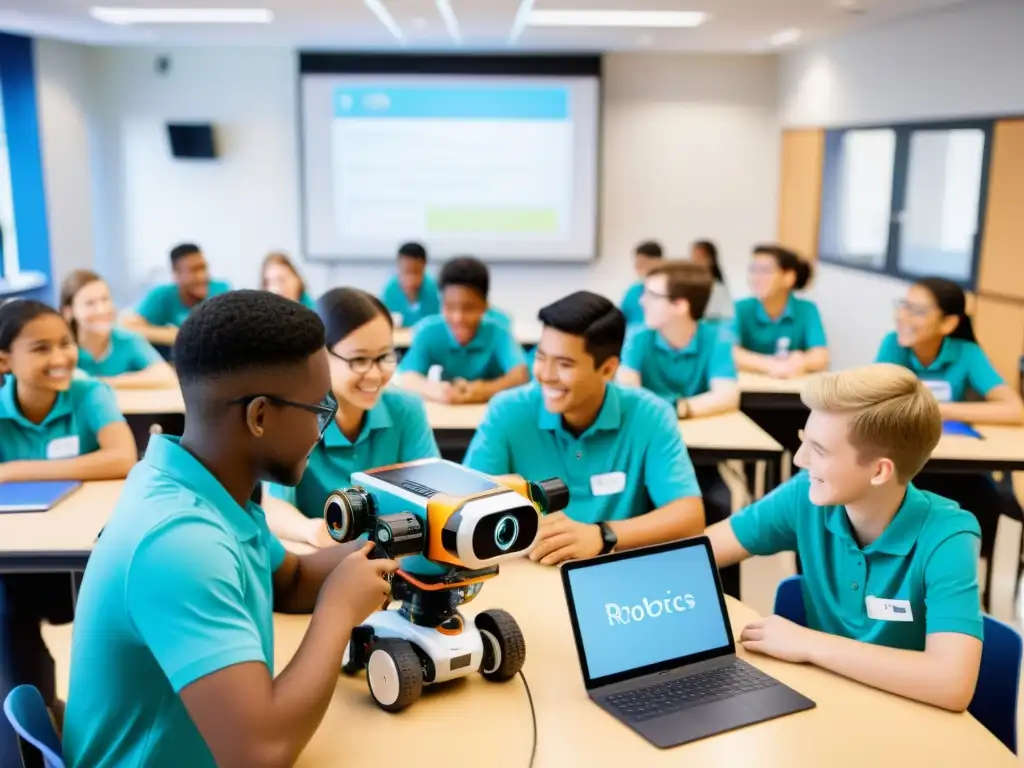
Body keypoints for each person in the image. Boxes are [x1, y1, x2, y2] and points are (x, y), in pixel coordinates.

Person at [63, 290, 399, 767]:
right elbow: (259, 753)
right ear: (258, 416)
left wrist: (388, 545)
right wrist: (338, 612)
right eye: (318, 410)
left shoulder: (205, 485)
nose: (322, 431)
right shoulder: (181, 542)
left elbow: (292, 581)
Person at [706, 364, 983, 712]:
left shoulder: (948, 536)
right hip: (827, 704)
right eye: (803, 441)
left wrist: (808, 643)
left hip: (907, 719)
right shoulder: (805, 496)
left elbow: (951, 684)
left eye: (819, 451)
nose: (799, 459)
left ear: (880, 470)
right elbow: (699, 554)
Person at [463, 290, 705, 566]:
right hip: (527, 567)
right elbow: (470, 504)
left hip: (614, 571)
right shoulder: (508, 411)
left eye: (564, 364)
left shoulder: (650, 415)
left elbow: (689, 516)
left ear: (607, 369)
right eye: (540, 357)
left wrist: (603, 535)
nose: (546, 375)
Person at [0, 299, 137, 764]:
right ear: (4, 360)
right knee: (8, 616)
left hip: (86, 557)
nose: (60, 357)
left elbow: (122, 458)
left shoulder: (88, 393)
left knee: (112, 614)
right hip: (20, 564)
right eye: (41, 348)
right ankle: (36, 720)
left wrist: (13, 469)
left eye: (65, 343)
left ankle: (100, 720)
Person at [876, 278, 1024, 605]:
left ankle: (963, 592)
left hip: (961, 469)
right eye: (903, 306)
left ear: (949, 322)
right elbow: (879, 402)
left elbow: (1014, 408)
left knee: (985, 499)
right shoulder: (894, 346)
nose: (903, 316)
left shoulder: (966, 353)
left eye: (916, 310)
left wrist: (934, 407)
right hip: (912, 467)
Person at [263, 287, 440, 548]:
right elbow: (274, 505)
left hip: (394, 561)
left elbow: (434, 497)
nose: (375, 374)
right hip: (320, 564)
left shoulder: (406, 409)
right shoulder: (294, 415)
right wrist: (312, 530)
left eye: (384, 357)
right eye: (359, 360)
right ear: (319, 356)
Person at [617, 261, 739, 595]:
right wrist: (684, 409)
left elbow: (728, 394)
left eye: (652, 294)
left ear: (679, 305)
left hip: (697, 456)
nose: (641, 301)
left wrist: (676, 408)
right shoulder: (639, 338)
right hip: (644, 458)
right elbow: (628, 391)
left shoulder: (715, 338)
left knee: (719, 504)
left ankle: (720, 599)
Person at [397, 256, 528, 403]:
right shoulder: (429, 331)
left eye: (468, 308)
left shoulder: (499, 332)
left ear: (485, 306)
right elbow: (407, 376)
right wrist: (438, 391)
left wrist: (486, 390)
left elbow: (520, 374)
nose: (458, 318)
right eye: (449, 307)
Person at [60, 269, 174, 388]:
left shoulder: (128, 340)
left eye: (105, 299)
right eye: (90, 303)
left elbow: (166, 376)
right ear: (68, 312)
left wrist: (101, 382)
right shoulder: (62, 348)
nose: (101, 310)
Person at [732, 245, 828, 378]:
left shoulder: (807, 309)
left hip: (791, 388)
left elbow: (820, 356)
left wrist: (801, 361)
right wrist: (772, 365)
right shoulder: (740, 308)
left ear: (788, 277)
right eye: (753, 270)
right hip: (750, 387)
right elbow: (729, 353)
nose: (756, 277)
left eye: (765, 271)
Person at [122, 243, 231, 346]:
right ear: (176, 274)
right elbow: (128, 327)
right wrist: (171, 335)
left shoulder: (220, 291)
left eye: (203, 268)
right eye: (194, 270)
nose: (202, 276)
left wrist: (179, 335)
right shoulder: (162, 295)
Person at [380, 241, 440, 328]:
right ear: (398, 267)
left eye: (416, 272)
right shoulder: (389, 291)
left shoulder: (434, 290)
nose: (410, 278)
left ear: (424, 267)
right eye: (406, 272)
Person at [620, 240, 663, 327]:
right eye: (637, 262)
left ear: (659, 263)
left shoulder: (669, 291)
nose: (639, 267)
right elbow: (621, 320)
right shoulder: (633, 292)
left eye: (644, 263)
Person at [691, 239, 733, 321]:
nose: (695, 262)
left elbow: (727, 316)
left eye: (700, 258)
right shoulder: (689, 286)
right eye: (693, 257)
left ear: (710, 260)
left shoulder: (719, 288)